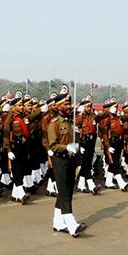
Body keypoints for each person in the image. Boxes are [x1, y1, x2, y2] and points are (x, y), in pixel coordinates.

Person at [48, 87, 86, 237]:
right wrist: (67, 147)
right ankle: (71, 223)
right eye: (65, 104)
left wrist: (78, 148)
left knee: (67, 191)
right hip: (60, 161)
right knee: (64, 192)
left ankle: (57, 222)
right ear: (57, 106)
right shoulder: (54, 124)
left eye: (69, 103)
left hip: (71, 160)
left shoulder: (71, 122)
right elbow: (52, 145)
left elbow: (75, 138)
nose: (69, 106)